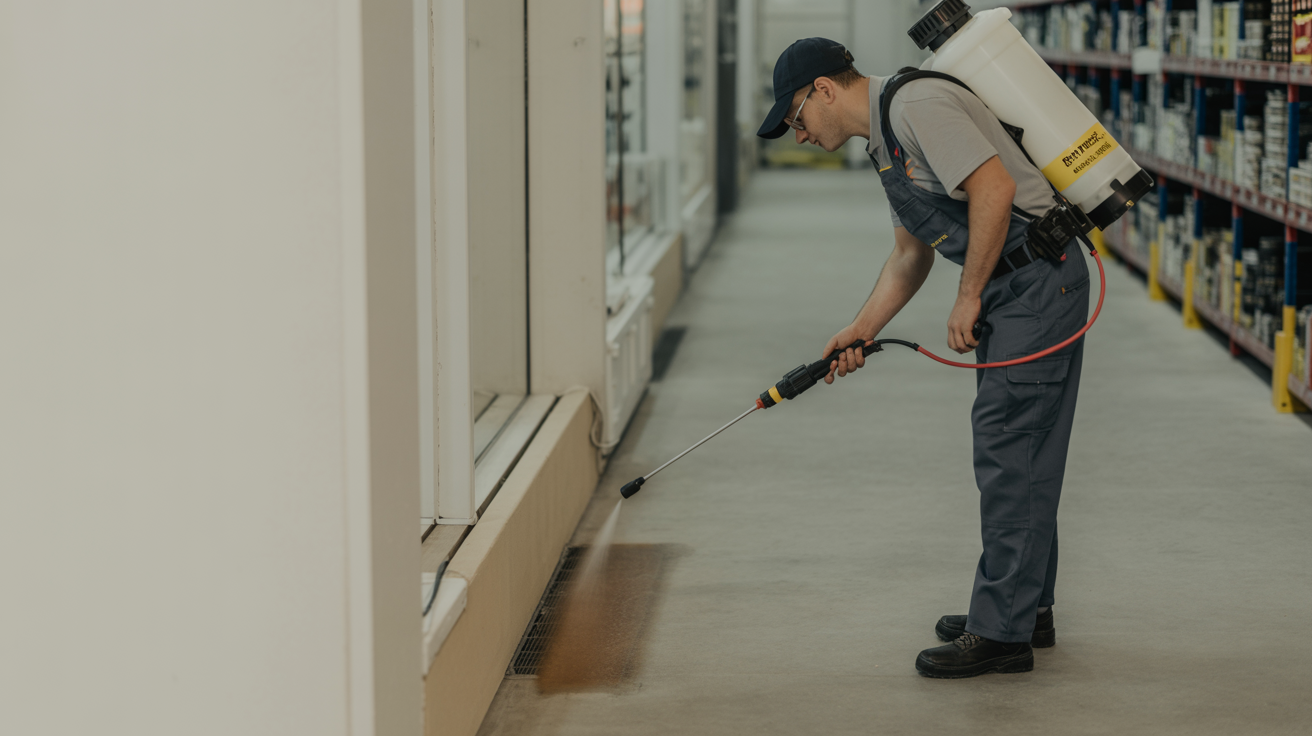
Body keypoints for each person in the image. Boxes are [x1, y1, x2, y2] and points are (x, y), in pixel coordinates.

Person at [757, 38, 1089, 678]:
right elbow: (911, 254)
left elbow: (993, 190)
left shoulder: (916, 106)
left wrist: (968, 296)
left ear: (824, 89)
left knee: (1009, 446)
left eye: (796, 118)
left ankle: (1003, 633)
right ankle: (1025, 609)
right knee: (1021, 451)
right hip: (1017, 288)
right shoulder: (885, 141)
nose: (799, 135)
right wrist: (859, 329)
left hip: (1035, 284)